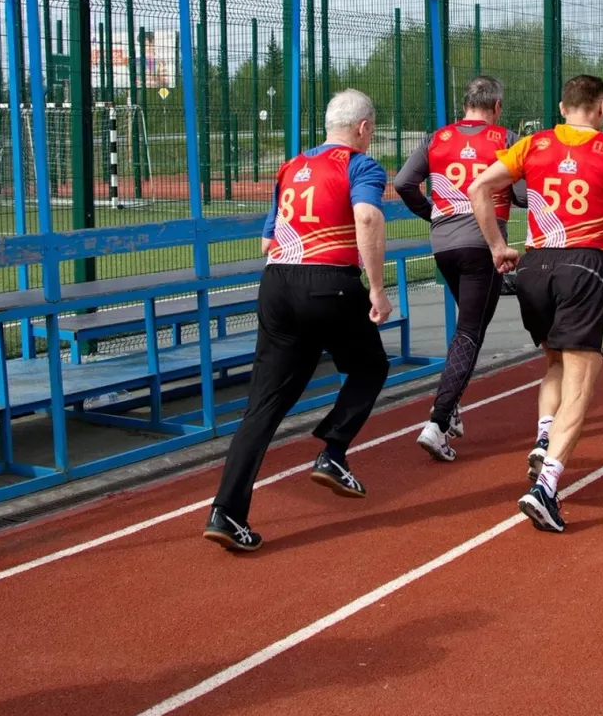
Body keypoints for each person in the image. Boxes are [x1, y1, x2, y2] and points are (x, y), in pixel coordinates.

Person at [465, 74, 603, 533]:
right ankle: (547, 487)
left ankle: (543, 438)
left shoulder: (533, 144)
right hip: (583, 267)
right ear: (601, 108)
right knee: (581, 380)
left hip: (534, 268)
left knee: (554, 363)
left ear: (561, 107)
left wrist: (498, 247)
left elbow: (478, 187)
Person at [203, 89, 393, 553]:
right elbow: (366, 217)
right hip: (328, 282)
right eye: (372, 129)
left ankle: (226, 512)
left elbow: (267, 242)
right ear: (363, 128)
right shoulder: (360, 165)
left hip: (277, 284)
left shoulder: (290, 167)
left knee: (263, 405)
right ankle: (332, 449)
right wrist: (377, 287)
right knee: (371, 366)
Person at [391, 75, 524, 462]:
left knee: (467, 326)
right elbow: (518, 196)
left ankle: (452, 403)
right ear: (496, 106)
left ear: (464, 103)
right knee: (470, 332)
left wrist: (432, 212)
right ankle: (437, 420)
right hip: (484, 245)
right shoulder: (505, 138)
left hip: (443, 244)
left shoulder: (436, 138)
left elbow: (402, 182)